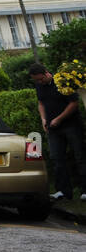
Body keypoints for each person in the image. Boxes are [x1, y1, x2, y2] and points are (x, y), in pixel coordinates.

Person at [32, 63, 86, 200]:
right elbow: (41, 103)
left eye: (41, 79)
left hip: (71, 125)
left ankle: (84, 190)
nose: (39, 82)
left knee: (79, 156)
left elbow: (74, 103)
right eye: (36, 80)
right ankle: (63, 191)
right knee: (57, 158)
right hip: (53, 128)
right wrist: (43, 119)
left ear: (46, 73)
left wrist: (59, 119)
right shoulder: (39, 86)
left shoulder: (62, 81)